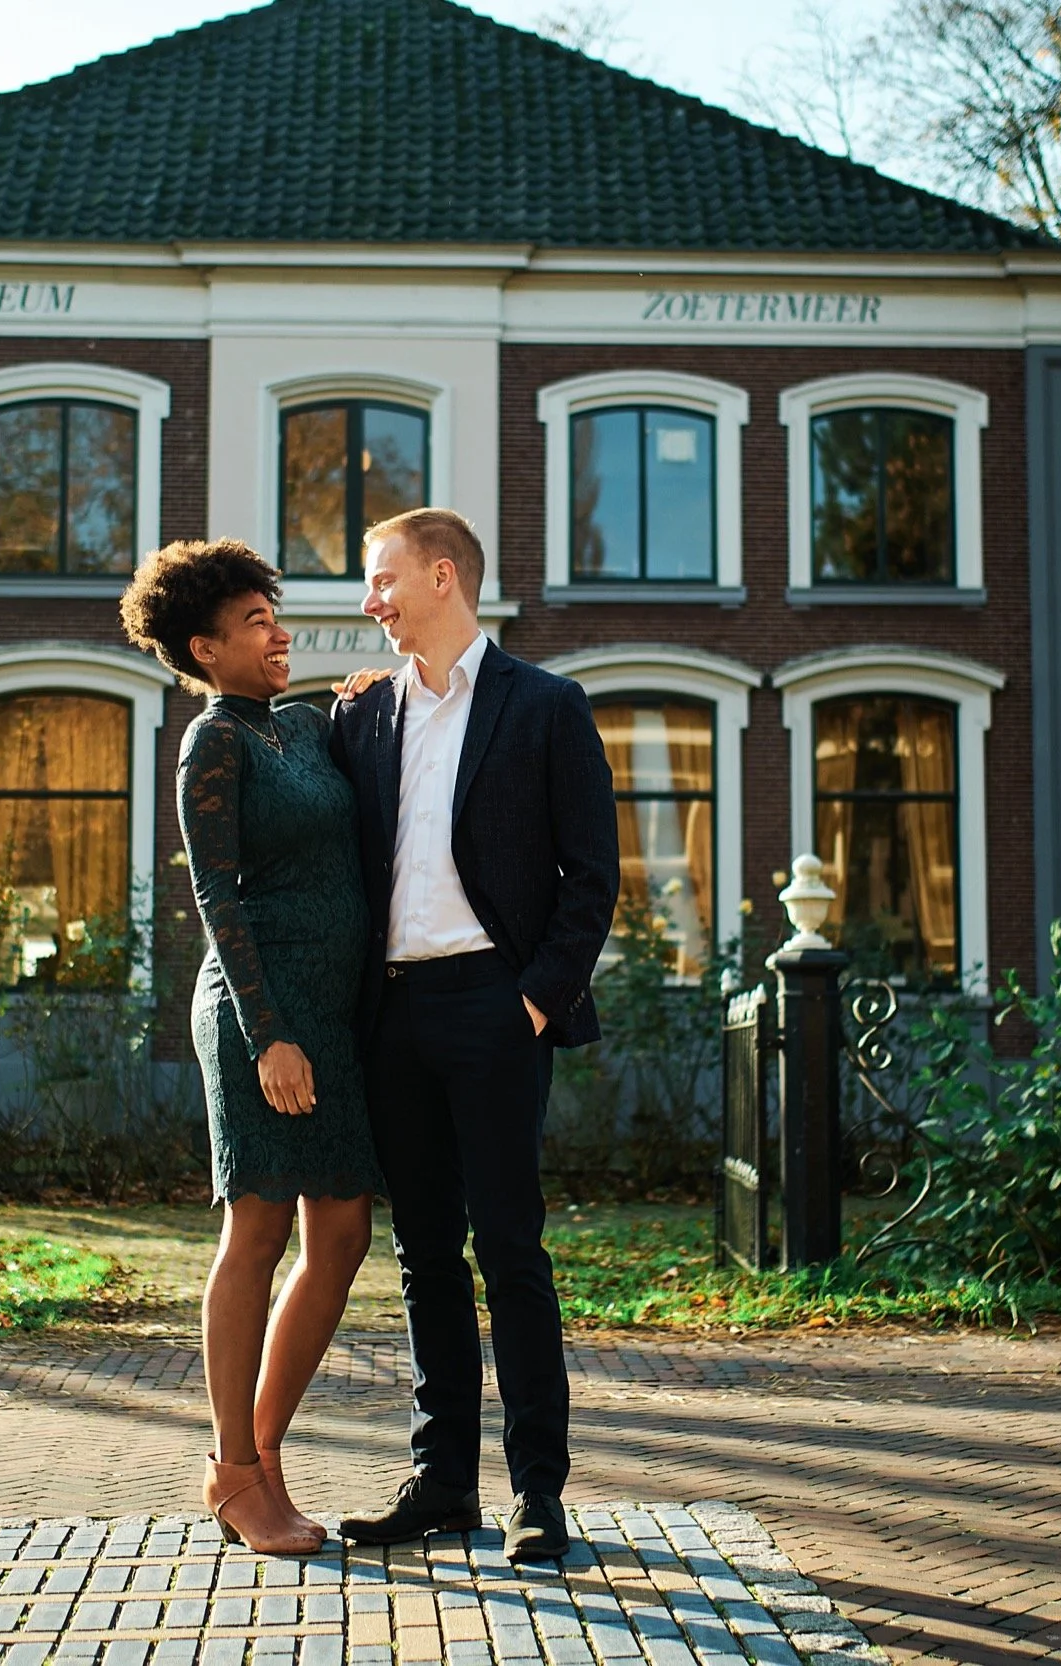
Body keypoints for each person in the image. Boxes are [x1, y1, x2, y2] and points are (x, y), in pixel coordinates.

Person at [328, 507, 621, 1562]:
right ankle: (443, 1481)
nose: (368, 601)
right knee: (423, 1260)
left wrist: (534, 1001)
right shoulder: (359, 718)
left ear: (441, 575)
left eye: (380, 579)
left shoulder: (545, 707)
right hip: (396, 1015)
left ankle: (537, 1492)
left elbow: (592, 878)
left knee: (509, 1249)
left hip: (498, 1011)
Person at [120, 539, 384, 1557]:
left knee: (346, 1233)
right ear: (204, 646)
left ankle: (259, 1460)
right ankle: (235, 1469)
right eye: (254, 623)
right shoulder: (212, 743)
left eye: (275, 614)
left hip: (335, 1015)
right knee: (259, 1232)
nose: (277, 631)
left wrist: (370, 694)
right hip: (256, 1013)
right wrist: (269, 1036)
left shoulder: (307, 728)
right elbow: (216, 897)